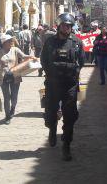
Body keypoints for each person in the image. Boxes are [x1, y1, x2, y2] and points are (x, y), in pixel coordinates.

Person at [41, 13, 85, 161]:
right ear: (59, 26)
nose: (67, 28)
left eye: (69, 26)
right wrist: (51, 72)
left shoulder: (77, 42)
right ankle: (52, 129)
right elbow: (43, 60)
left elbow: (82, 61)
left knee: (70, 116)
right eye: (65, 25)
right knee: (50, 113)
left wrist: (74, 73)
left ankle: (66, 145)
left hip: (70, 85)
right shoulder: (50, 42)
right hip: (53, 84)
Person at [0, 34, 35, 123]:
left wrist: (31, 57)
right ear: (4, 43)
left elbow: (23, 56)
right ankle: (7, 116)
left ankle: (13, 108)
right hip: (3, 77)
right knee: (6, 97)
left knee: (14, 97)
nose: (11, 42)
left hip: (15, 76)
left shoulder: (15, 50)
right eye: (9, 41)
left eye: (11, 40)